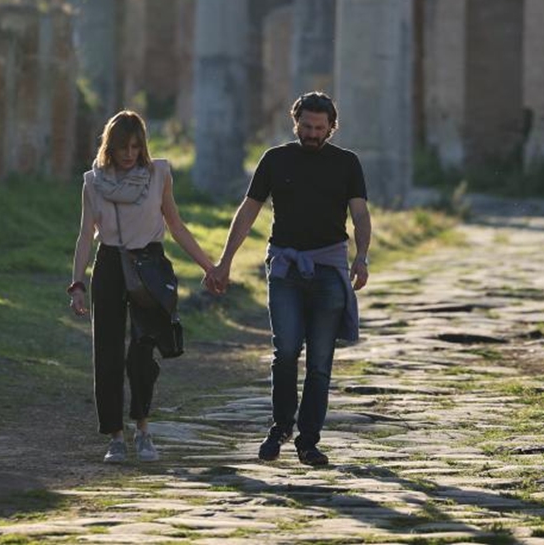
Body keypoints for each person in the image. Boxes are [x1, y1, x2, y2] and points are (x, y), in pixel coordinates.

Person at [206, 92, 372, 466]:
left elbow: (360, 215)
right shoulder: (275, 159)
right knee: (285, 353)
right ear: (295, 123)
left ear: (332, 127)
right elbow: (248, 212)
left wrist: (361, 256)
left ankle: (308, 441)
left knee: (320, 362)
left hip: (329, 269)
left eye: (320, 128)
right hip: (284, 269)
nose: (313, 134)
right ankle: (280, 427)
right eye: (306, 127)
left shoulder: (347, 164)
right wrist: (225, 261)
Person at [69, 111, 217, 464]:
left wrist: (210, 267)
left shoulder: (159, 174)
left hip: (149, 265)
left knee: (142, 349)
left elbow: (176, 225)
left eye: (136, 146)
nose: (130, 153)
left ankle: (143, 430)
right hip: (109, 265)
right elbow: (85, 236)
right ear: (110, 145)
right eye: (123, 146)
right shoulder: (93, 181)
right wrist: (77, 283)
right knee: (106, 353)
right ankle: (115, 437)